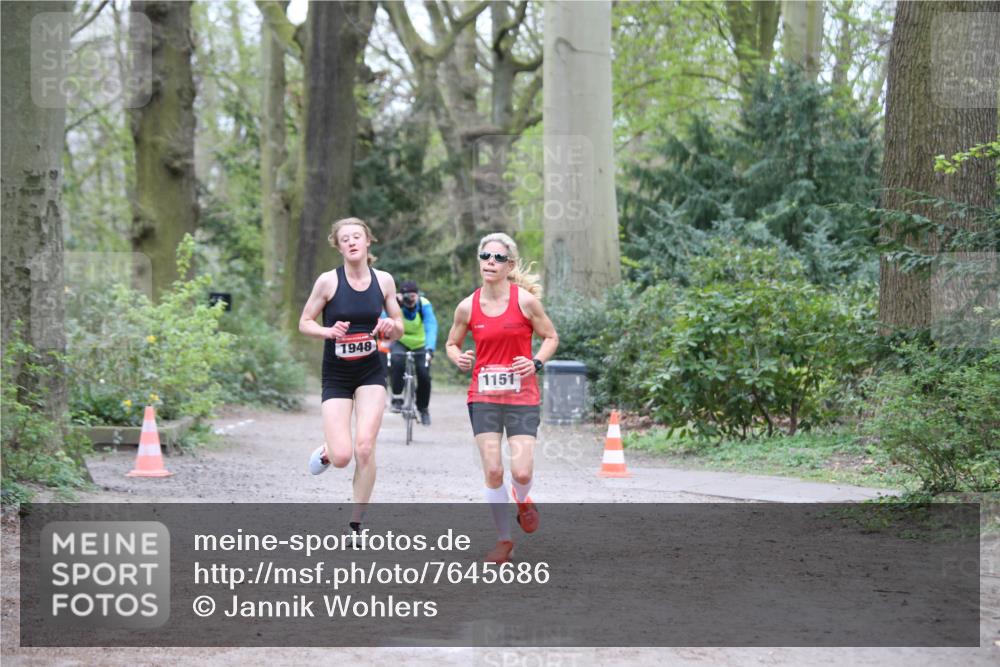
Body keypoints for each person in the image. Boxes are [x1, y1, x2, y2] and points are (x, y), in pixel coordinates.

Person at [445, 232, 558, 564]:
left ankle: (523, 500)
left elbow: (551, 337)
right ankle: (504, 541)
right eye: (484, 257)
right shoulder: (467, 305)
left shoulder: (525, 302)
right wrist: (458, 358)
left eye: (497, 258)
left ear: (510, 265)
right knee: (494, 470)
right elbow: (452, 343)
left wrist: (535, 361)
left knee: (520, 473)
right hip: (484, 396)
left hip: (522, 396)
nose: (490, 263)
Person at [298, 217, 403, 535]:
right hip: (337, 374)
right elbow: (304, 322)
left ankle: (357, 523)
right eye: (345, 239)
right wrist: (328, 331)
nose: (352, 242)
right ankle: (330, 451)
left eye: (357, 237)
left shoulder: (383, 280)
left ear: (368, 241)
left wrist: (390, 327)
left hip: (371, 370)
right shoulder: (328, 282)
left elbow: (398, 325)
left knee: (365, 447)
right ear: (339, 245)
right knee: (343, 456)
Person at [389, 280, 438, 426]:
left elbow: (431, 325)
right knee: (396, 361)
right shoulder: (395, 304)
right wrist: (394, 303)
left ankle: (423, 408)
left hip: (420, 344)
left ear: (418, 295)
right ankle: (397, 397)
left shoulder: (424, 304)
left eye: (413, 296)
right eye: (406, 296)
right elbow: (384, 318)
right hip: (400, 341)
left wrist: (430, 348)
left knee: (424, 373)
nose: (410, 300)